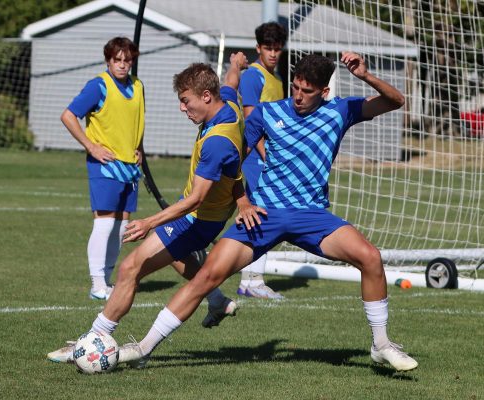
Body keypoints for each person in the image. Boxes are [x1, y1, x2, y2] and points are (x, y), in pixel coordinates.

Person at [119, 52, 419, 372]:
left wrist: (365, 75)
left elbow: (396, 101)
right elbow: (233, 160)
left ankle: (381, 345)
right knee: (208, 275)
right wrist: (243, 202)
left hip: (312, 216)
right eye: (295, 88)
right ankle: (143, 347)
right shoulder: (266, 112)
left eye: (307, 91)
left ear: (324, 92)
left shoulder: (340, 110)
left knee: (370, 257)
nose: (298, 96)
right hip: (264, 214)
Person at [47, 52, 249, 363]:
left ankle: (93, 339)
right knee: (178, 258)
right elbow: (232, 83)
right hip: (208, 215)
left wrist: (149, 223)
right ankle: (218, 300)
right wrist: (235, 64)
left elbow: (194, 199)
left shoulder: (217, 142)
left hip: (197, 217)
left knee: (131, 268)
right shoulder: (230, 105)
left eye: (186, 101)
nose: (182, 108)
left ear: (207, 96)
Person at [60, 37, 145, 301]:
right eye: (117, 60)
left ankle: (107, 282)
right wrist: (91, 146)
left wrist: (139, 147)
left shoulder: (138, 86)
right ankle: (97, 283)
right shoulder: (98, 85)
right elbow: (68, 115)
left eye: (127, 60)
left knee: (121, 225)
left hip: (129, 167)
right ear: (108, 60)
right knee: (105, 221)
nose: (122, 65)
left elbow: (136, 121)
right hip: (105, 165)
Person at [237, 21, 287, 299]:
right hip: (256, 157)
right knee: (260, 212)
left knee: (264, 212)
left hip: (269, 157)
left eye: (277, 49)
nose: (273, 53)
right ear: (258, 48)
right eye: (268, 48)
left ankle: (252, 278)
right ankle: (251, 280)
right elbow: (252, 121)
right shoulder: (253, 77)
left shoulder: (277, 79)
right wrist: (268, 155)